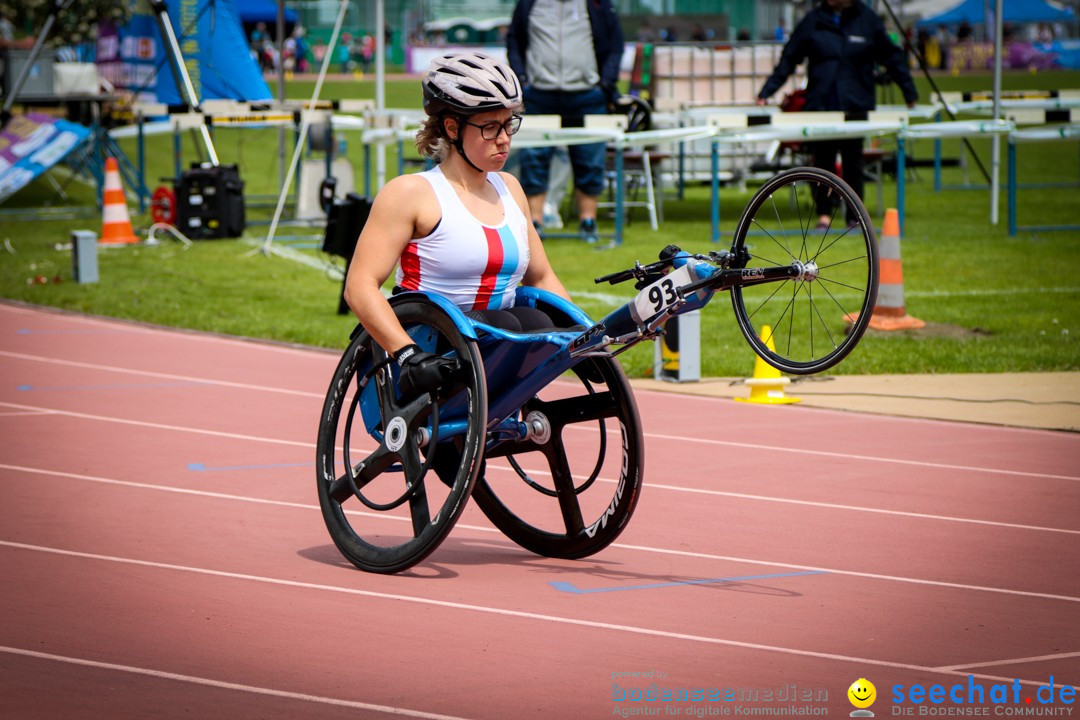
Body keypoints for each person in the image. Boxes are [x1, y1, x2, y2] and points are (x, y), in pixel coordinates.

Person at [342, 52, 572, 402]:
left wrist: (580, 337)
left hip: (497, 347)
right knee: (508, 326)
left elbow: (541, 279)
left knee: (533, 323)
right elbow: (360, 286)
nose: (505, 139)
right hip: (429, 353)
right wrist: (406, 353)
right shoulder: (411, 193)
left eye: (509, 124)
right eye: (490, 127)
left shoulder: (509, 188)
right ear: (452, 128)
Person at [756, 0, 918, 229]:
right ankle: (823, 214)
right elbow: (789, 58)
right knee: (822, 163)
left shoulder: (867, 19)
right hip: (821, 106)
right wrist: (766, 92)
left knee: (854, 162)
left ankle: (854, 216)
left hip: (855, 106)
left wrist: (908, 91)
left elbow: (892, 57)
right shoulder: (813, 20)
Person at [506, 0, 624, 243]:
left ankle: (588, 222)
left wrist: (605, 85)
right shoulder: (529, 3)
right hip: (538, 94)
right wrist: (522, 78)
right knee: (534, 158)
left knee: (590, 159)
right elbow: (514, 40)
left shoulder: (598, 4)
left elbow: (615, 45)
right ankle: (535, 224)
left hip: (588, 94)